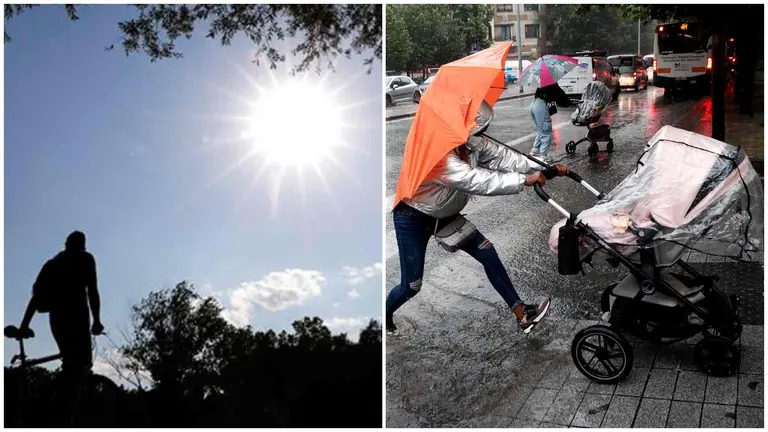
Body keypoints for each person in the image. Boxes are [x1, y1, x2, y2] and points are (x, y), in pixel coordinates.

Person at [387, 131, 570, 336]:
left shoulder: (472, 139)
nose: (479, 128)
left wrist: (545, 169)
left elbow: (505, 157)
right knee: (411, 286)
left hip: (445, 213)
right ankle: (384, 318)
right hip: (413, 217)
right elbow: (474, 180)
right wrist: (523, 181)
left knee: (487, 253)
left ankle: (522, 314)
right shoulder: (436, 150)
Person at [18, 230, 104, 426]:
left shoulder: (52, 263)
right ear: (83, 245)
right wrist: (97, 320)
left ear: (66, 244)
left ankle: (54, 406)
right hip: (78, 317)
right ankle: (64, 418)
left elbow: (36, 297)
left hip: (57, 320)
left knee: (70, 364)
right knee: (79, 367)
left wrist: (24, 325)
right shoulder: (85, 259)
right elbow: (92, 291)